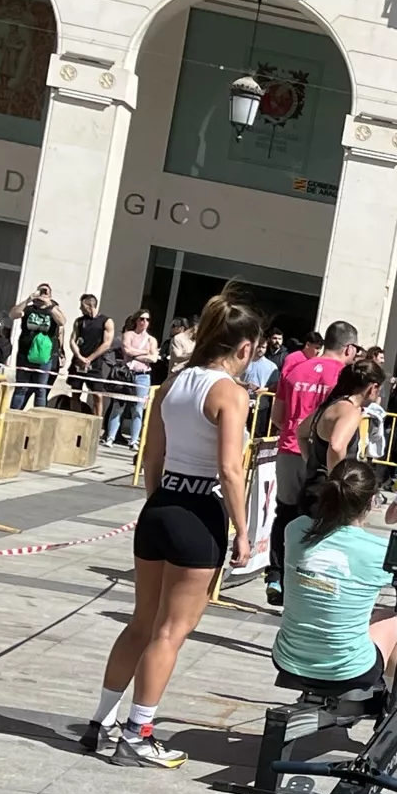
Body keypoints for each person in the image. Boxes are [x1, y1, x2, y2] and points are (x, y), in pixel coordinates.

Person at [86, 288, 261, 766]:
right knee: (171, 630)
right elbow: (230, 469)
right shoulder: (230, 392)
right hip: (200, 510)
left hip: (162, 504)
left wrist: (158, 500)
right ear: (244, 348)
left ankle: (102, 720)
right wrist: (244, 531)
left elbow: (154, 457)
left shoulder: (173, 384)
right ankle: (138, 732)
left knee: (141, 621)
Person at [272, 458, 397, 688]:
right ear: (371, 502)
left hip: (287, 658)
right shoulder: (380, 551)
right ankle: (393, 694)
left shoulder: (296, 529)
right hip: (349, 668)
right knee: (395, 618)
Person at [268, 322, 359, 606]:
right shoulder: (344, 377)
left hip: (288, 449)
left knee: (284, 512)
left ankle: (275, 575)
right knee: (317, 519)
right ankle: (303, 579)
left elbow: (278, 416)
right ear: (349, 348)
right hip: (319, 457)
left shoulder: (295, 368)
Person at [102, 310, 161, 447]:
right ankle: (111, 437)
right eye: (141, 319)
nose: (144, 322)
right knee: (118, 406)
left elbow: (153, 358)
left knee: (138, 409)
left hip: (143, 376)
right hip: (127, 374)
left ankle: (134, 440)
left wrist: (136, 354)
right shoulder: (128, 335)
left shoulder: (152, 339)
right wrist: (145, 352)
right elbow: (127, 351)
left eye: (147, 319)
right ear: (136, 320)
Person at [10, 284, 65, 409]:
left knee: (41, 389)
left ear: (50, 296)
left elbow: (62, 322)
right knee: (21, 387)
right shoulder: (29, 309)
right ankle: (14, 414)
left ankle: (39, 417)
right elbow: (13, 314)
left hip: (45, 356)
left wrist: (49, 304)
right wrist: (28, 299)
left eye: (46, 292)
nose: (42, 294)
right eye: (41, 291)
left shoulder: (53, 310)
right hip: (25, 354)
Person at [68, 294, 114, 415]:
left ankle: (96, 422)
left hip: (95, 364)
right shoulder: (79, 321)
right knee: (75, 393)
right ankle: (75, 419)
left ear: (89, 305)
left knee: (98, 395)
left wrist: (89, 359)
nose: (80, 308)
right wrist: (79, 356)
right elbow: (73, 340)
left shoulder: (106, 321)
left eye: (82, 306)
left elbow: (107, 344)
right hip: (78, 362)